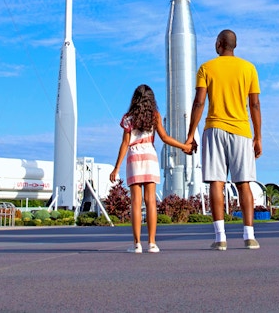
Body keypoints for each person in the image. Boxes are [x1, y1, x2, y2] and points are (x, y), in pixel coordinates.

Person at [185, 29, 262, 251]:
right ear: (234, 45)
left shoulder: (206, 68)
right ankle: (250, 236)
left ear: (219, 44)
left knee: (216, 184)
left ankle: (220, 238)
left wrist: (191, 134)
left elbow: (199, 103)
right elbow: (255, 104)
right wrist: (258, 137)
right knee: (244, 183)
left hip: (214, 129)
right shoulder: (249, 68)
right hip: (241, 130)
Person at [109, 84, 193, 253]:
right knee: (151, 202)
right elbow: (164, 137)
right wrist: (183, 146)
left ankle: (137, 244)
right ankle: (152, 243)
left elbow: (125, 143)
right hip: (150, 156)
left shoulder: (128, 118)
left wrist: (116, 168)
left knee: (135, 202)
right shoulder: (155, 116)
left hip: (134, 157)